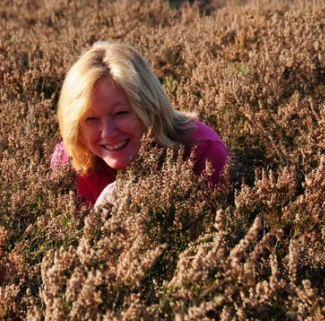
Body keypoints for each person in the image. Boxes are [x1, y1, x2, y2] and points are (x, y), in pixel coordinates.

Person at [51, 41, 229, 207]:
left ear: (150, 109)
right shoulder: (68, 164)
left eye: (120, 113)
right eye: (91, 119)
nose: (108, 133)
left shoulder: (203, 153)